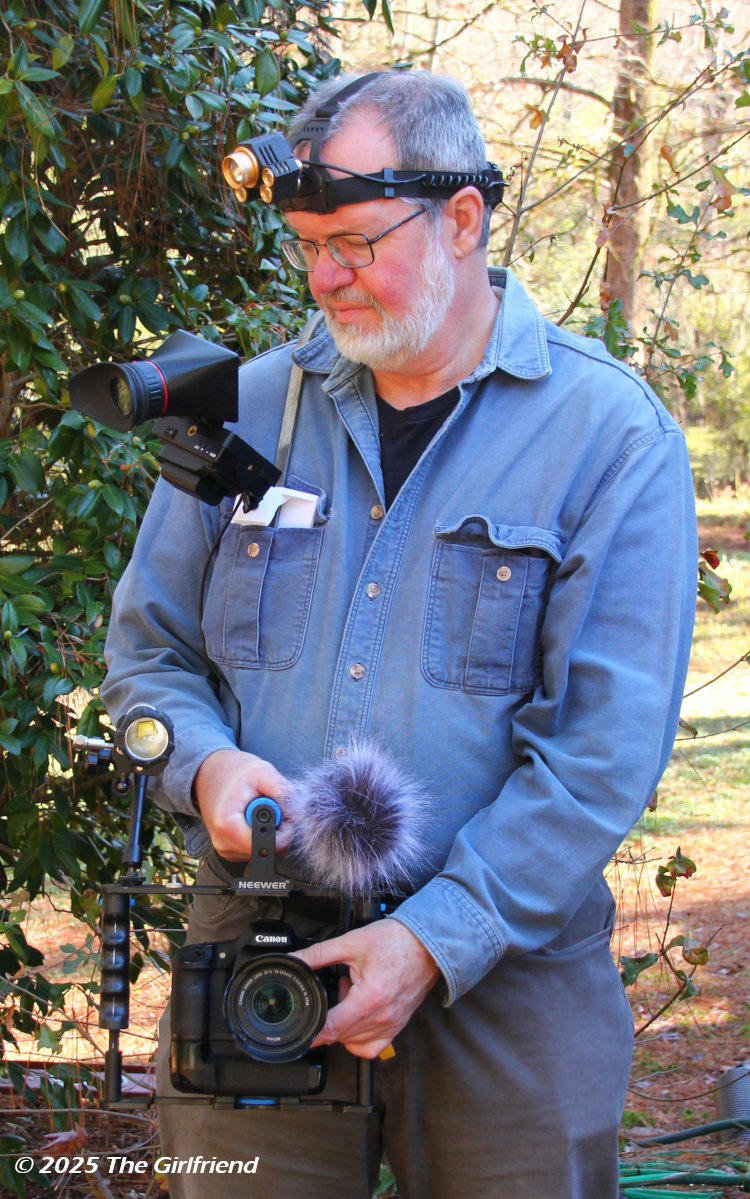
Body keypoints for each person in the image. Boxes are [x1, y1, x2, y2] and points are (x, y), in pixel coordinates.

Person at [101, 69, 697, 1199]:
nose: (325, 276)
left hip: (507, 974)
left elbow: (602, 749)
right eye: (307, 244)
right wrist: (208, 764)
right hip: (259, 944)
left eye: (357, 242)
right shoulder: (243, 408)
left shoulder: (609, 435)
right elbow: (149, 655)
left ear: (462, 219)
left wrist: (434, 938)